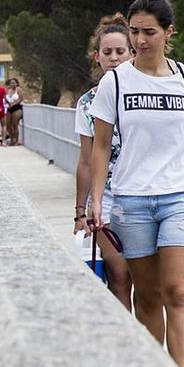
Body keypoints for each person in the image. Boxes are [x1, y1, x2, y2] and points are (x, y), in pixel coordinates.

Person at [83, 0, 184, 367]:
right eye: (134, 32)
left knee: (178, 293)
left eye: (148, 32)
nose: (140, 41)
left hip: (181, 196)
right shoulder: (115, 83)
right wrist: (96, 200)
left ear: (168, 32)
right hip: (132, 200)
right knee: (147, 296)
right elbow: (99, 145)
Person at [74, 16, 135, 309]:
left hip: (143, 191)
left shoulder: (144, 93)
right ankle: (127, 345)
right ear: (96, 57)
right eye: (107, 52)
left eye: (120, 52)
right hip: (106, 197)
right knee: (119, 275)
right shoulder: (87, 103)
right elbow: (86, 161)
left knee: (148, 282)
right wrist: (80, 212)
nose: (113, 59)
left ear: (133, 53)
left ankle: (150, 348)